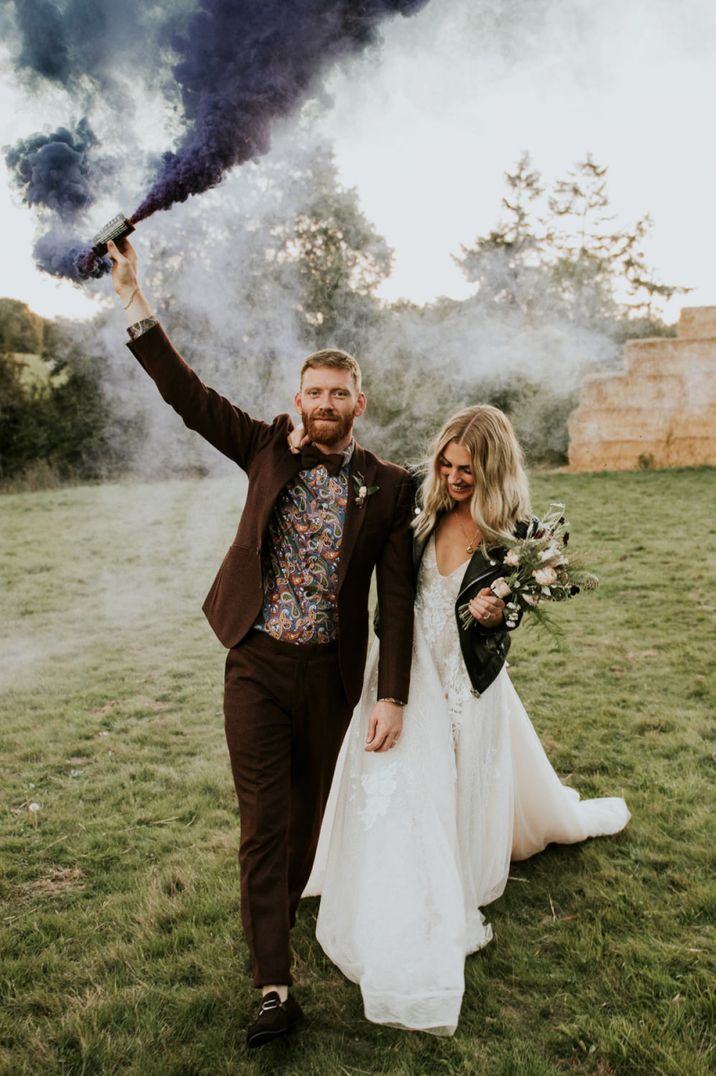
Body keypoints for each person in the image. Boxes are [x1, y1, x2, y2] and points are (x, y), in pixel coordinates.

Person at [106, 238, 415, 1047]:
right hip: (256, 661)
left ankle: (284, 910)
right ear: (297, 397)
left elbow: (399, 598)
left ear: (359, 401)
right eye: (313, 390)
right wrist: (134, 300)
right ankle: (274, 986)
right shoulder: (264, 448)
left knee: (307, 826)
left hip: (330, 677)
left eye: (339, 392)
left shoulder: (386, 486)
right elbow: (189, 397)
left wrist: (392, 694)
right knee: (263, 821)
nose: (325, 401)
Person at [303, 403, 630, 1036]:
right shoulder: (421, 517)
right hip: (408, 670)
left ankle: (459, 860)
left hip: (469, 679)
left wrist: (495, 613)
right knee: (401, 778)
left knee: (459, 778)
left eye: (468, 469)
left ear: (495, 469)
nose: (455, 478)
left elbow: (519, 611)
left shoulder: (521, 537)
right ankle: (395, 881)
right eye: (448, 465)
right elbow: (398, 596)